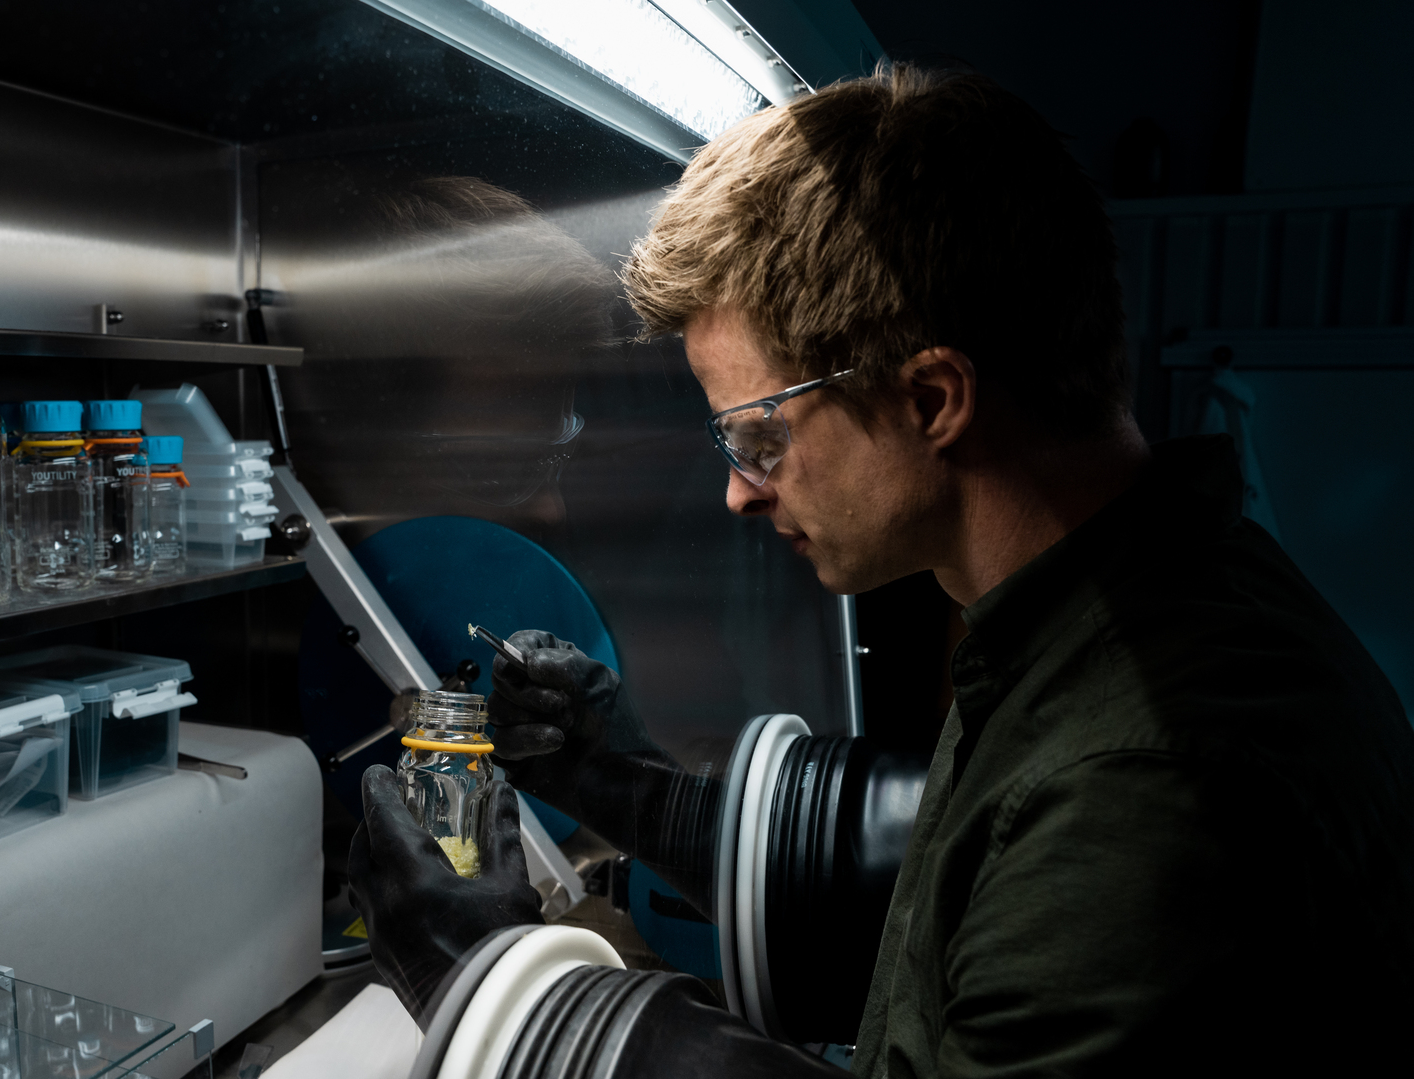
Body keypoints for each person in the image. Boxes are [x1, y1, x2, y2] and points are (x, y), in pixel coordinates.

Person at [349, 65, 1414, 1075]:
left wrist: (494, 979)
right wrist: (615, 786)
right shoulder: (1094, 622)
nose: (739, 493)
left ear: (931, 399)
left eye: (759, 438)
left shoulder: (1152, 773)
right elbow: (966, 911)